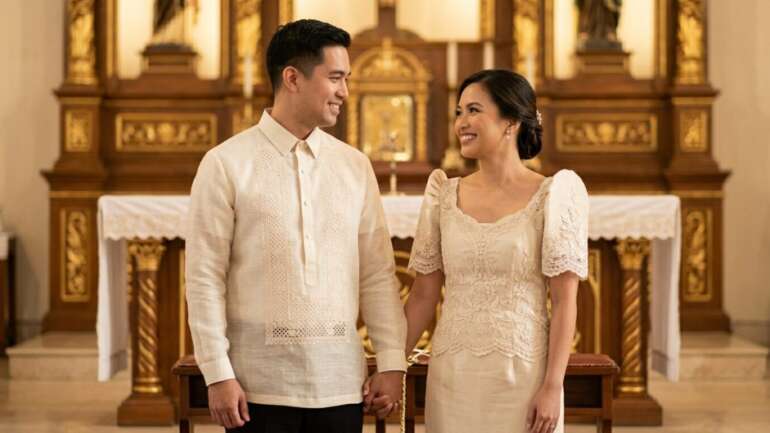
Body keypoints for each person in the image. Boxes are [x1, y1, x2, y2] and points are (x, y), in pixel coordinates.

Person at [185, 19, 406, 433]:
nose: (345, 91)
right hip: (256, 387)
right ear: (292, 78)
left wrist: (392, 363)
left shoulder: (354, 166)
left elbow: (378, 275)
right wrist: (217, 372)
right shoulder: (226, 164)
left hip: (342, 384)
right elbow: (203, 278)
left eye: (347, 79)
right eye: (335, 78)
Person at [403, 69, 588, 433]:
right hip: (453, 376)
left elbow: (565, 301)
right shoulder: (443, 194)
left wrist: (552, 387)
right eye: (459, 112)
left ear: (511, 122)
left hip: (523, 376)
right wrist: (391, 366)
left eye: (474, 110)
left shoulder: (555, 195)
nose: (461, 123)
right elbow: (424, 294)